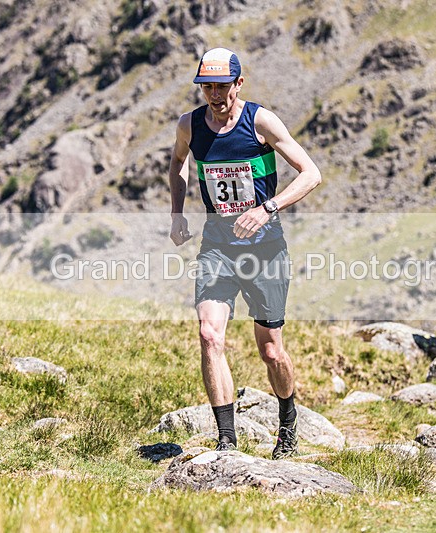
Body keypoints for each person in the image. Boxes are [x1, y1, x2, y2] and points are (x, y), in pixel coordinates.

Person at [168, 48, 321, 458]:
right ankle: (227, 442)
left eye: (222, 86)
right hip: (217, 243)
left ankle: (287, 423)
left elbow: (312, 174)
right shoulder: (191, 125)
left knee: (270, 349)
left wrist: (267, 207)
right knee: (208, 334)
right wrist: (177, 213)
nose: (215, 95)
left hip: (265, 247)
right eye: (207, 87)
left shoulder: (260, 121)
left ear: (239, 83)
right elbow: (178, 165)